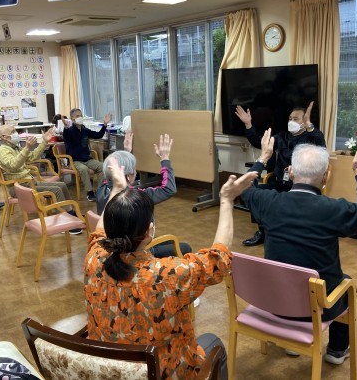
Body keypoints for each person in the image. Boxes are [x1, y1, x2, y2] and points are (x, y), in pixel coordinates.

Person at [85, 157, 258, 380]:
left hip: (108, 369)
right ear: (150, 231)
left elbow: (99, 231)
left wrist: (118, 188)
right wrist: (226, 200)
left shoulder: (94, 258)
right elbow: (218, 259)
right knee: (214, 345)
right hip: (163, 372)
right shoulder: (168, 275)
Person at [241, 131, 357, 365]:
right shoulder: (333, 210)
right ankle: (336, 351)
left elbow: (244, 187)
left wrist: (263, 158)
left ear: (291, 172)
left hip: (273, 301)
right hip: (316, 308)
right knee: (345, 285)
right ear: (325, 177)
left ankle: (291, 343)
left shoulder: (269, 203)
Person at [235, 101, 326, 246]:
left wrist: (310, 126)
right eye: (290, 119)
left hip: (298, 187)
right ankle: (263, 231)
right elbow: (259, 143)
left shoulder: (311, 138)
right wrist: (248, 124)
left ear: (304, 122)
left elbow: (322, 147)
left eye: (296, 119)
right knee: (256, 193)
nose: (291, 122)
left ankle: (287, 234)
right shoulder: (283, 136)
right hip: (278, 182)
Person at [96, 132, 192, 257]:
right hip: (138, 250)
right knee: (185, 247)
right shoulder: (136, 198)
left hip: (113, 245)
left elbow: (114, 171)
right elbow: (168, 189)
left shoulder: (101, 188)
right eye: (134, 169)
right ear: (129, 176)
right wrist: (164, 159)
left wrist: (126, 152)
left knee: (171, 242)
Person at [0, 124, 82, 235]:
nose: (16, 133)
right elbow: (14, 165)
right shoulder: (3, 150)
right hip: (19, 187)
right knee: (56, 190)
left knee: (62, 185)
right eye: (12, 132)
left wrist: (44, 142)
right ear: (4, 137)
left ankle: (70, 214)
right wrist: (27, 148)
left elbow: (32, 156)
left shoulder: (15, 148)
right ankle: (63, 222)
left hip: (28, 183)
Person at [62, 108, 111, 201]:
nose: (80, 117)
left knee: (103, 166)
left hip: (87, 159)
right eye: (77, 116)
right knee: (84, 169)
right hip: (75, 161)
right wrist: (65, 127)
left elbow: (98, 135)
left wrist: (105, 124)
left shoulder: (85, 130)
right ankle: (90, 192)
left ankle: (100, 191)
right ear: (72, 118)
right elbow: (66, 137)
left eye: (81, 115)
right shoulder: (70, 131)